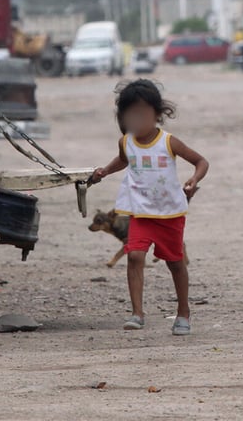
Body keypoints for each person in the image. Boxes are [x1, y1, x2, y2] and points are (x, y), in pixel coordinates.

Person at [90, 80, 209, 335]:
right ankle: (137, 313)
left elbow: (201, 161)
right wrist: (104, 171)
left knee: (175, 263)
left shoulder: (169, 142)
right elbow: (123, 160)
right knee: (134, 256)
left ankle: (183, 313)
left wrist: (194, 179)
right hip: (141, 212)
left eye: (143, 112)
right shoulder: (126, 142)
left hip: (169, 214)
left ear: (157, 113)